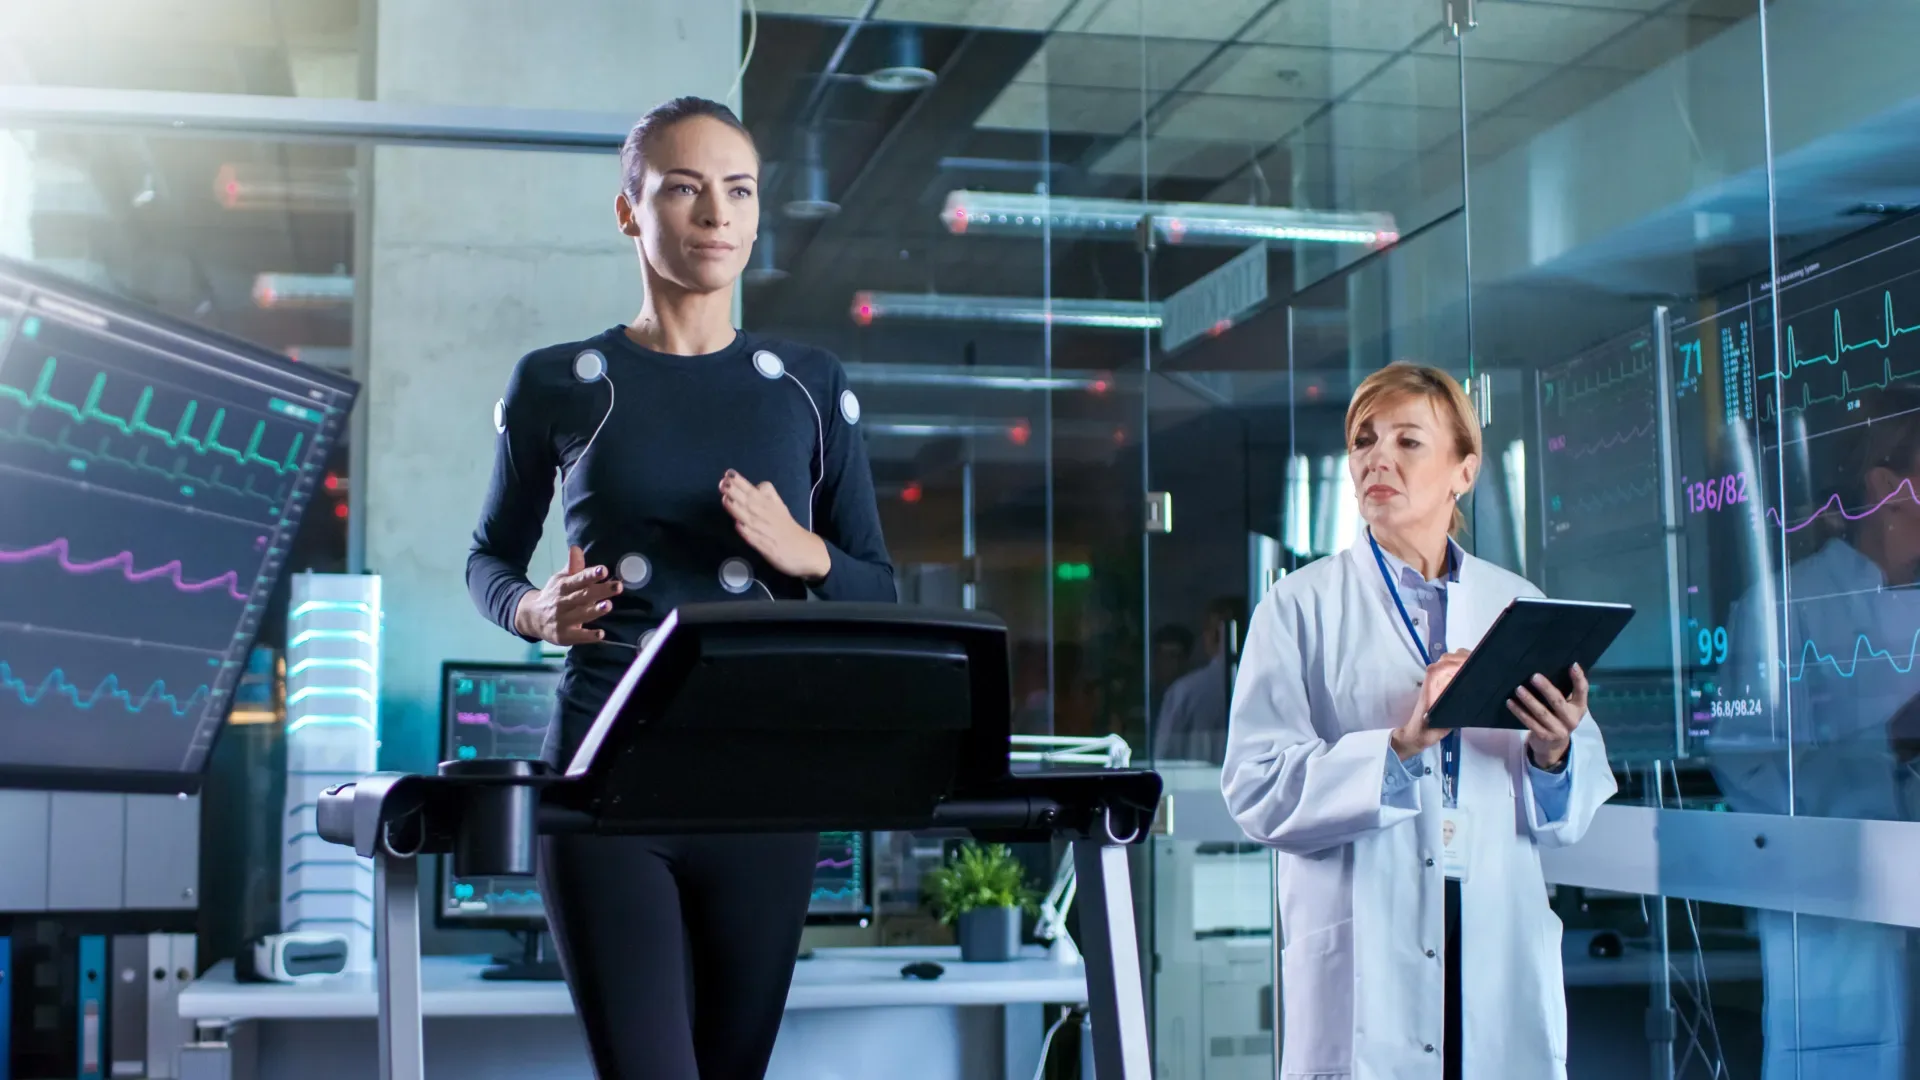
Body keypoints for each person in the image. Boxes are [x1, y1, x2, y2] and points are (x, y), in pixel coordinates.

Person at [465, 96, 895, 1080]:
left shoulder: (811, 386)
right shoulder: (556, 382)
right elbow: (487, 558)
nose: (716, 214)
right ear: (630, 211)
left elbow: (877, 584)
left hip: (764, 788)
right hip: (606, 782)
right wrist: (534, 611)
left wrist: (806, 551)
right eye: (685, 189)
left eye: (738, 191)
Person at [1221, 362, 1616, 1079]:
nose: (1378, 458)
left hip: (1491, 930)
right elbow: (1255, 788)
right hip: (1370, 935)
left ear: (1463, 472)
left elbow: (1569, 815)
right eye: (1364, 441)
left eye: (1408, 442)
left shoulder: (1517, 603)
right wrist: (1402, 746)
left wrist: (1554, 752)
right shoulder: (1298, 608)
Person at [1711, 387, 1920, 1079]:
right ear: (1888, 486)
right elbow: (1748, 772)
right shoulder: (1782, 606)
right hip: (1838, 929)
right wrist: (1883, 746)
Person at [1153, 596, 1243, 764]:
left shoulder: (1184, 691)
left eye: (1176, 656)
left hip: (1192, 787)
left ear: (1211, 635)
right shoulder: (1267, 687)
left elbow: (1162, 757)